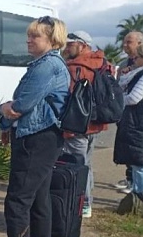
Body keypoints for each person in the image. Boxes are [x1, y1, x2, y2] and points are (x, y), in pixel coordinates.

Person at [0, 16, 70, 237]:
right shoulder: (54, 65)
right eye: (29, 35)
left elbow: (20, 106)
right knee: (39, 200)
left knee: (18, 201)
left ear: (52, 40)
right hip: (46, 139)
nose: (29, 40)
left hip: (35, 139)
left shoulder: (47, 67)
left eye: (36, 36)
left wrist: (3, 110)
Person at [61, 30, 108, 218]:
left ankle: (83, 203)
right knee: (86, 163)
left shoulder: (77, 67)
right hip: (95, 123)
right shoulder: (102, 63)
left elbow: (68, 96)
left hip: (77, 125)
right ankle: (88, 201)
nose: (66, 47)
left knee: (78, 165)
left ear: (82, 45)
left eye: (70, 44)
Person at [113, 41, 143, 214]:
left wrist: (118, 101)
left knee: (139, 164)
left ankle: (138, 203)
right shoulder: (136, 73)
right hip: (136, 123)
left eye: (136, 57)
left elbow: (133, 98)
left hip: (137, 124)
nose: (133, 60)